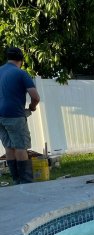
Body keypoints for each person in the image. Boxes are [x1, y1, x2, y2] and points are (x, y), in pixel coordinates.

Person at [0, 47, 40, 184]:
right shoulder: (20, 73)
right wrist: (32, 107)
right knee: (21, 147)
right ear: (21, 60)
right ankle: (26, 183)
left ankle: (16, 181)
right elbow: (35, 97)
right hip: (14, 115)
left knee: (9, 147)